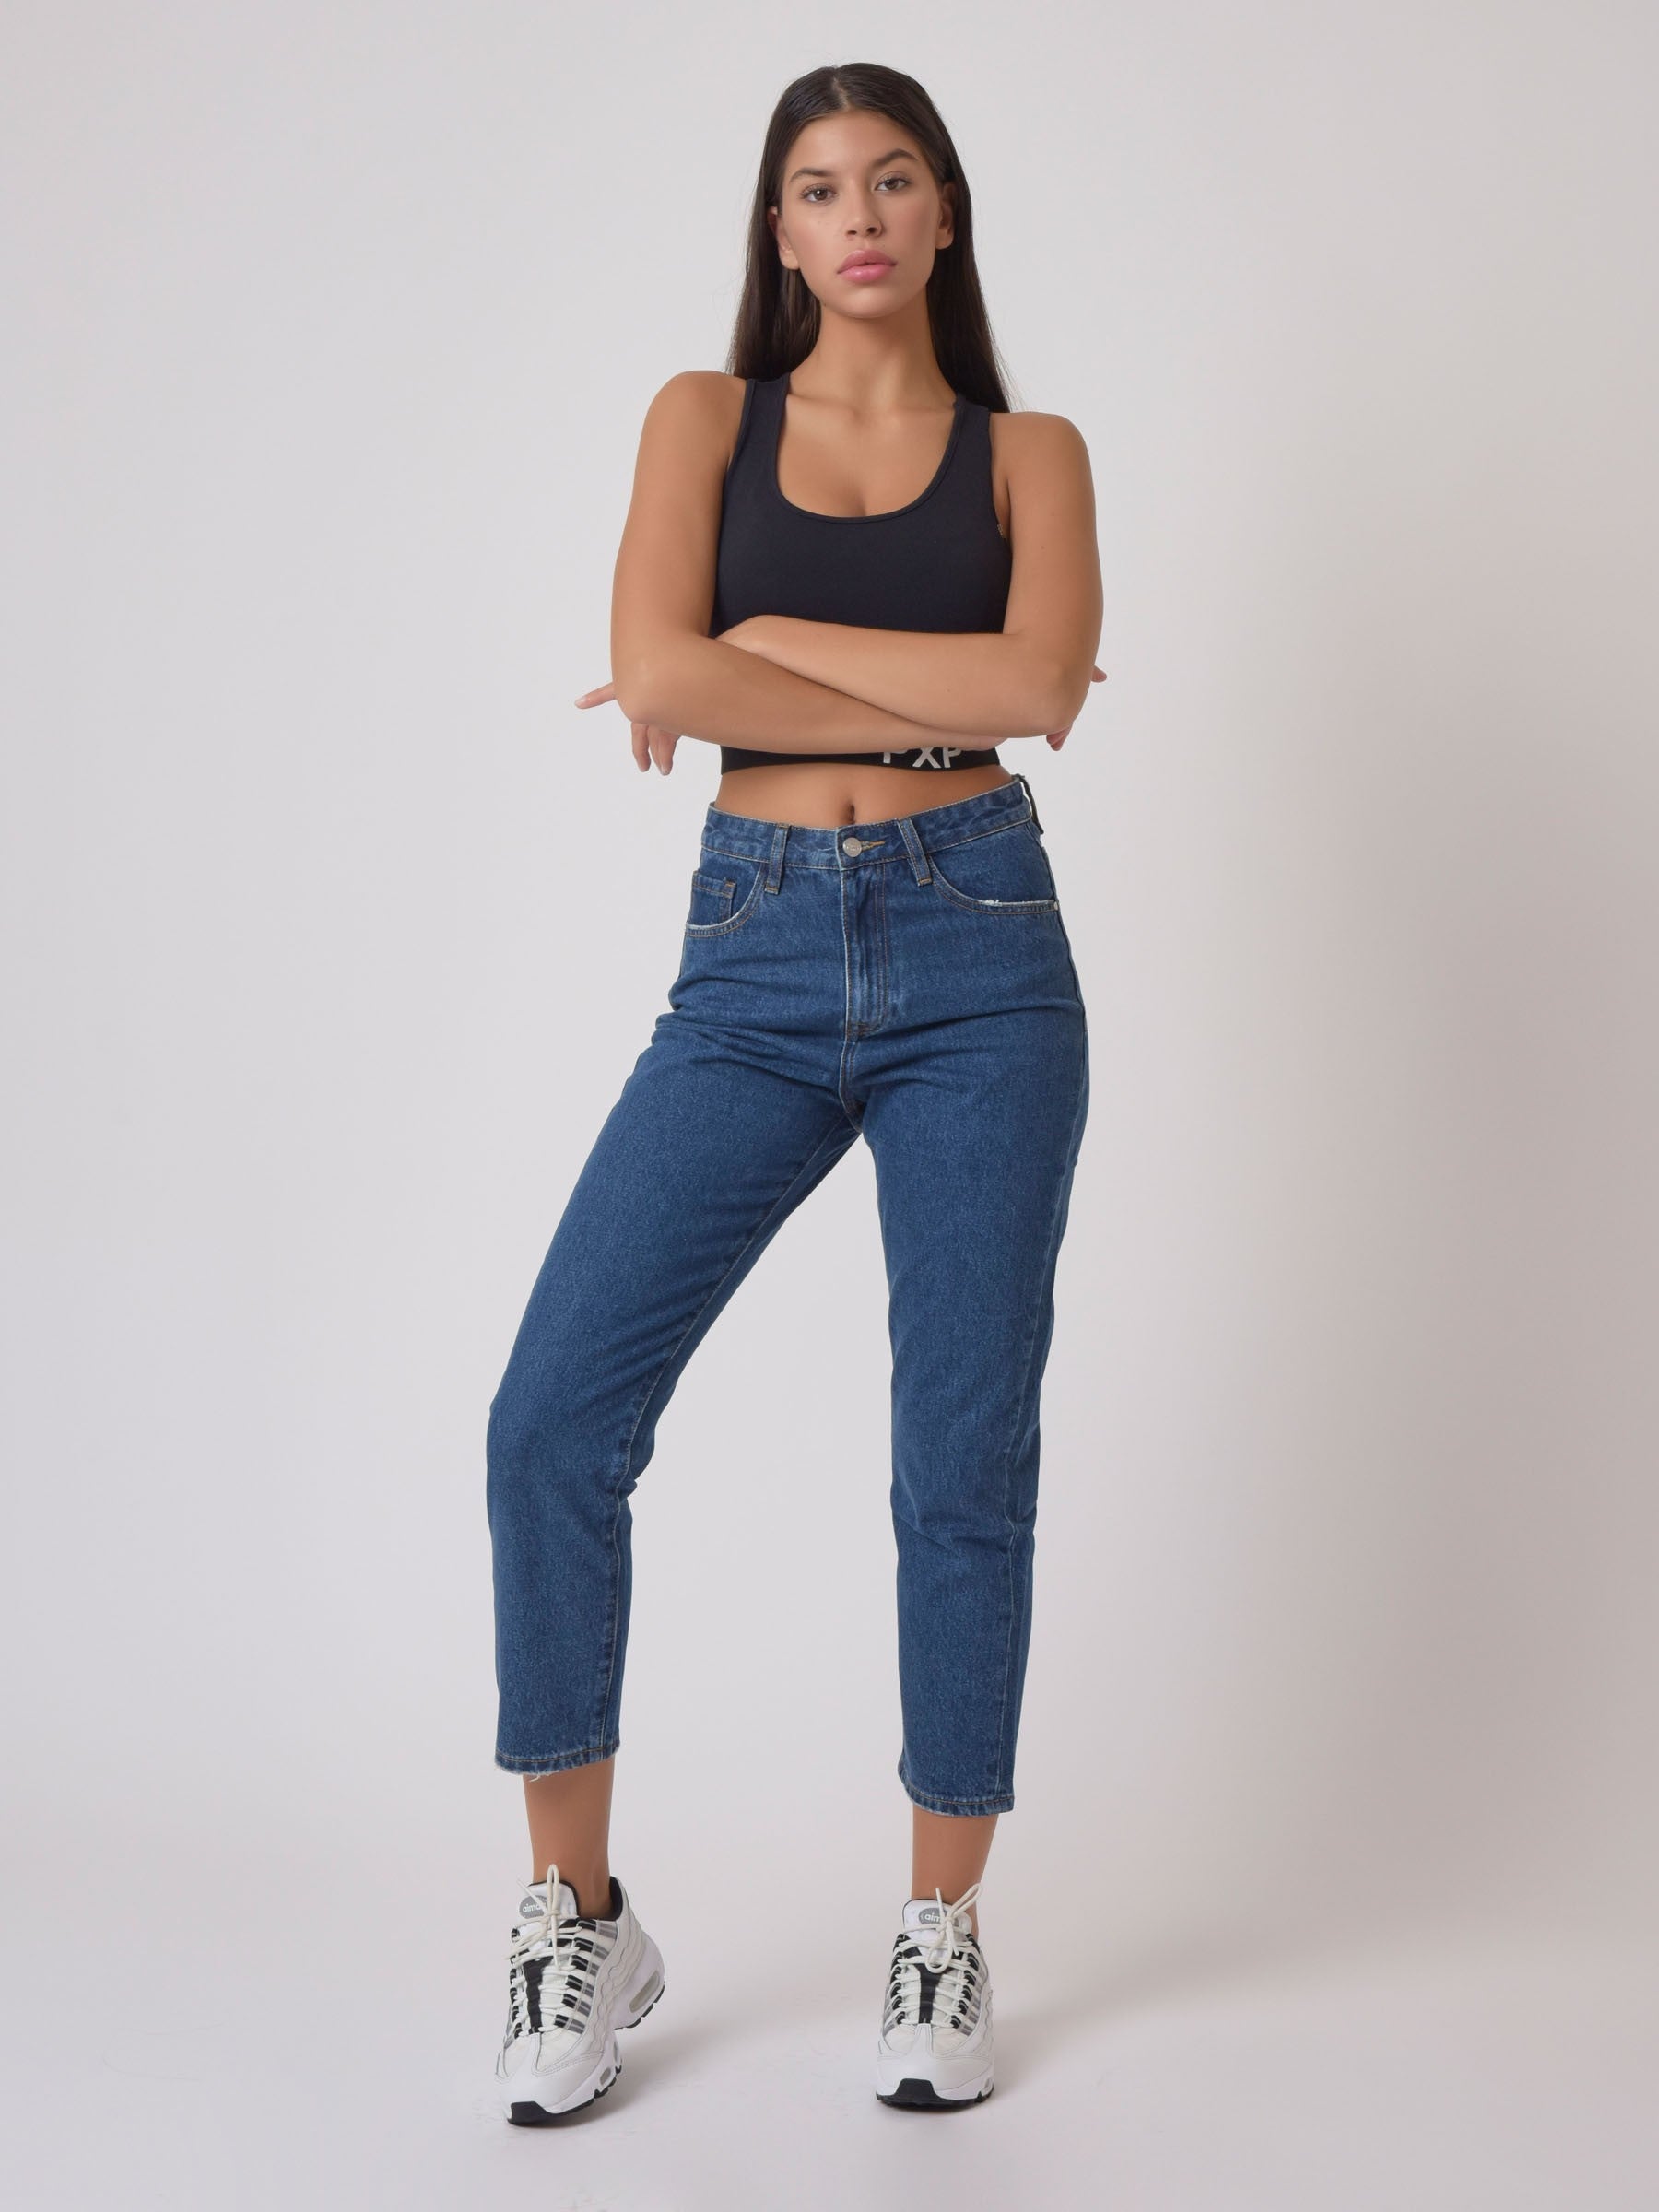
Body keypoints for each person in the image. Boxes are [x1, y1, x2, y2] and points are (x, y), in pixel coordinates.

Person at [487, 61, 1103, 2122]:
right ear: (779, 230)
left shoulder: (1030, 453)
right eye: (820, 188)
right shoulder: (702, 417)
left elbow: (1039, 691)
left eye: (893, 180)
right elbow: (661, 672)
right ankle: (579, 1916)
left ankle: (942, 1929)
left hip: (983, 956)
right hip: (750, 957)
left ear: (944, 215)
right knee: (552, 1421)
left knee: (961, 1457)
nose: (858, 217)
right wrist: (802, 663)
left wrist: (759, 631)